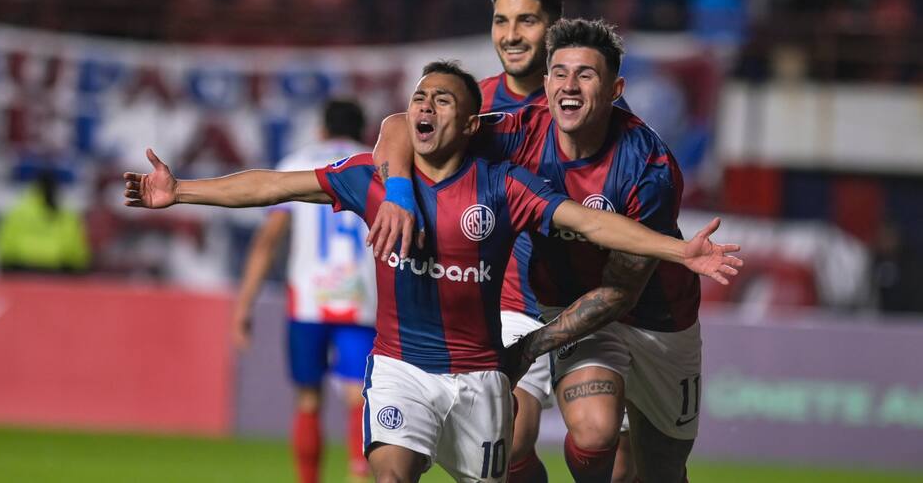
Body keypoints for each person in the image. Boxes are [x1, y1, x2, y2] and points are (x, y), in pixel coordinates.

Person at [125, 61, 740, 483]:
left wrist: (674, 250)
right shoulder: (374, 180)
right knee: (390, 472)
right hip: (400, 370)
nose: (425, 107)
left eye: (442, 100)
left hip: (479, 381)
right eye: (419, 97)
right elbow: (273, 186)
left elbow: (590, 223)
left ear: (471, 125)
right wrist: (181, 191)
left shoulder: (502, 187)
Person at [373, 19, 711, 482]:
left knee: (664, 471)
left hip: (658, 316)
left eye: (586, 75)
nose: (568, 86)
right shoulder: (520, 132)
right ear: (547, 81)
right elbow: (399, 125)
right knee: (593, 433)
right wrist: (397, 191)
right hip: (574, 307)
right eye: (559, 72)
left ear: (616, 89)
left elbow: (620, 293)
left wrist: (529, 347)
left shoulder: (649, 166)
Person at [483, 0, 635, 483]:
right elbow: (399, 129)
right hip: (508, 304)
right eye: (501, 21)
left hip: (584, 303)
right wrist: (395, 194)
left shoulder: (599, 110)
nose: (510, 34)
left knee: (603, 446)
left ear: (554, 29)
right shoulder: (474, 105)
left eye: (526, 21)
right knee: (506, 447)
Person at [232, 100, 376, 483]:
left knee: (308, 399)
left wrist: (243, 305)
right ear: (362, 130)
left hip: (308, 300)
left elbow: (267, 241)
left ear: (322, 129)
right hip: (360, 299)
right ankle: (359, 477)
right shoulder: (374, 162)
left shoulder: (297, 161)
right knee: (359, 398)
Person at [0, 169, 90, 274]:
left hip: (23, 272)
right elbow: (77, 252)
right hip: (54, 273)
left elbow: (3, 246)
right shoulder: (67, 215)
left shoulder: (16, 212)